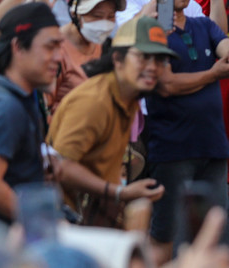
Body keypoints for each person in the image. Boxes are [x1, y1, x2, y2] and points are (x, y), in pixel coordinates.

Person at [142, 0, 229, 264]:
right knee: (167, 237)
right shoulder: (151, 30)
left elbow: (227, 50)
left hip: (212, 145)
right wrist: (213, 74)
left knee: (212, 233)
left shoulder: (201, 24)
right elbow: (167, 84)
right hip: (172, 149)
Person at [47, 15, 168, 226]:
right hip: (69, 223)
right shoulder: (93, 101)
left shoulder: (129, 95)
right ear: (117, 60)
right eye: (142, 57)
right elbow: (62, 166)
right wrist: (120, 192)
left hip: (97, 217)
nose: (152, 66)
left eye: (159, 59)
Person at [0, 2, 64, 222]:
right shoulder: (4, 106)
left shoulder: (21, 97)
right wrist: (42, 223)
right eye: (50, 47)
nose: (58, 57)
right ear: (18, 47)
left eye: (59, 47)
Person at [52, 0, 125, 110]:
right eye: (96, 16)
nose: (104, 23)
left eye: (111, 16)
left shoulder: (107, 47)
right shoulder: (55, 51)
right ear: (74, 12)